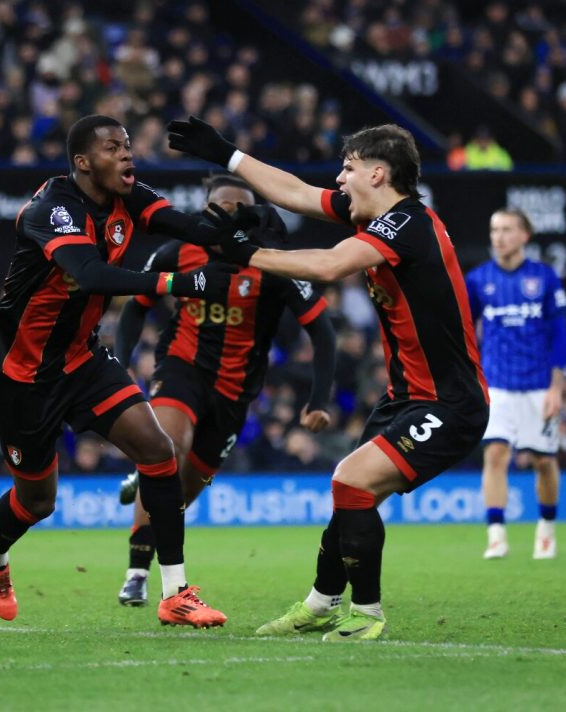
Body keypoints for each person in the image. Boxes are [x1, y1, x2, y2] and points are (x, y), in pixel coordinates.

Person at [167, 116, 489, 640]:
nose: (340, 180)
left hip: (450, 403)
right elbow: (294, 192)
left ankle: (366, 614)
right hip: (406, 396)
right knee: (351, 495)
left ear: (379, 174)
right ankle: (320, 604)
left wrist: (243, 253)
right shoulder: (378, 216)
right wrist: (228, 155)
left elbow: (330, 266)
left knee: (351, 481)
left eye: (349, 168)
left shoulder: (408, 224)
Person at [0, 114, 249, 628]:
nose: (127, 155)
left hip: (83, 358)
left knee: (158, 449)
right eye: (112, 148)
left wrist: (233, 233)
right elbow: (92, 275)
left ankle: (175, 594)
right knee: (37, 501)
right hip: (24, 372)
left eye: (127, 146)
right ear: (82, 163)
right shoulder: (50, 210)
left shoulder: (127, 195)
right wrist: (179, 283)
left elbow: (187, 225)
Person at [114, 174, 337, 606]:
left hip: (235, 392)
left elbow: (322, 331)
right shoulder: (177, 252)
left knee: (182, 491)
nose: (233, 213)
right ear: (205, 209)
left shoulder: (273, 262)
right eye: (224, 206)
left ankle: (139, 484)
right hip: (181, 368)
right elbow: (134, 306)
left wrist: (319, 399)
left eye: (242, 207)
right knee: (166, 448)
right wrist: (120, 364)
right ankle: (137, 572)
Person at [464, 208, 566, 560]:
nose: (499, 236)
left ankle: (546, 528)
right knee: (495, 453)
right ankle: (496, 535)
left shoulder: (545, 278)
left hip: (539, 385)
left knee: (542, 460)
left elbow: (559, 336)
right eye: (495, 230)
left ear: (525, 235)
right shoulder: (478, 280)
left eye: (507, 229)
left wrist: (557, 388)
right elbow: (464, 330)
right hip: (497, 385)